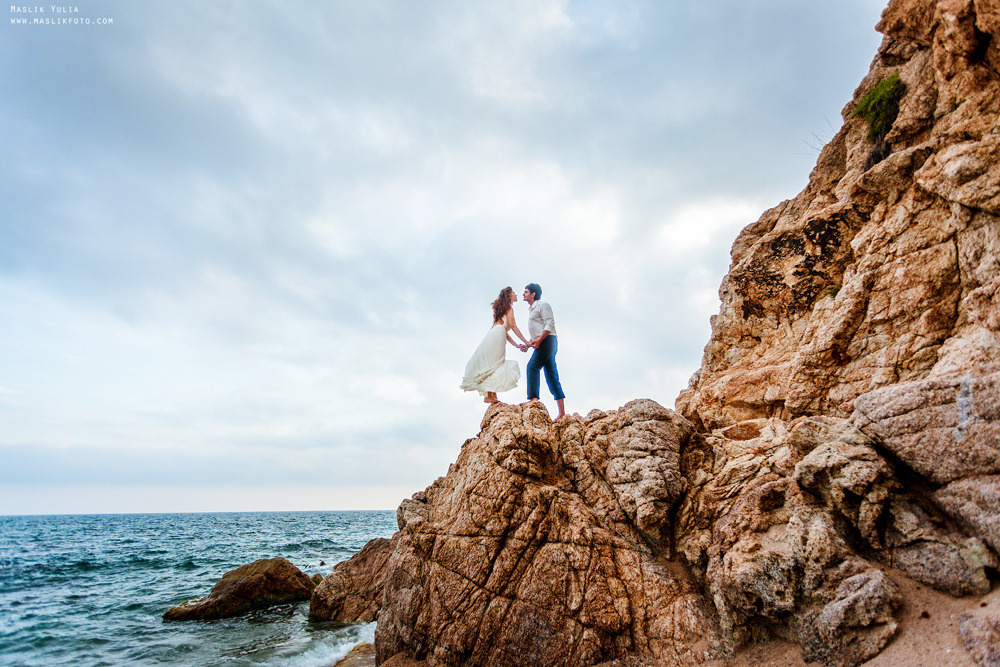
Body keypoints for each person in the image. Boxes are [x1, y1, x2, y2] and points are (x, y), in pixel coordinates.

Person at [460, 286, 530, 404]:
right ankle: (489, 396)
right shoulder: (509, 308)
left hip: (493, 334)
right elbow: (512, 326)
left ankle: (491, 396)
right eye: (514, 293)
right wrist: (526, 341)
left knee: (493, 363)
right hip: (498, 335)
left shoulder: (500, 309)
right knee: (496, 363)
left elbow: (503, 330)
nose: (516, 295)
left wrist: (517, 345)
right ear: (509, 296)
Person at [521, 283, 565, 420]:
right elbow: (538, 330)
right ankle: (562, 412)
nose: (523, 294)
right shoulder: (531, 309)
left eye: (526, 291)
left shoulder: (542, 305)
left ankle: (533, 399)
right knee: (551, 374)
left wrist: (539, 341)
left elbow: (549, 323)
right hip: (544, 341)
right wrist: (528, 344)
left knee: (532, 366)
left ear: (533, 294)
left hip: (548, 340)